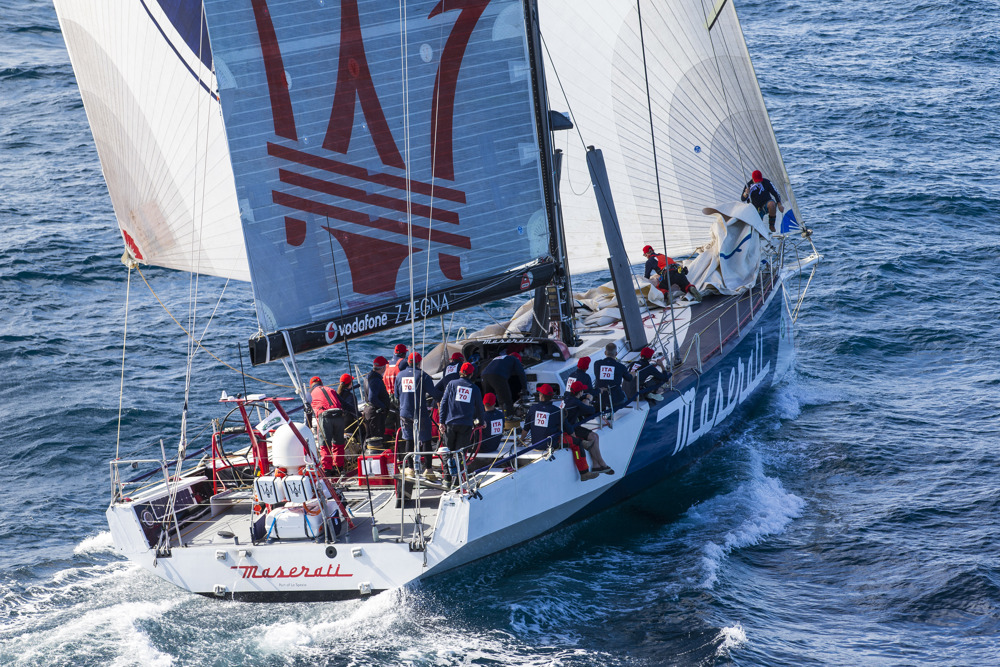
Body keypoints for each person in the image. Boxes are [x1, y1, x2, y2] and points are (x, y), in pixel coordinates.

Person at [522, 384, 598, 481]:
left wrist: (521, 439)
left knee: (562, 435)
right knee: (577, 444)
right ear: (551, 397)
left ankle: (584, 444)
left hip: (535, 444)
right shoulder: (557, 411)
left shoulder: (533, 408)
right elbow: (569, 429)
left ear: (541, 396)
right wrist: (575, 439)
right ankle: (584, 472)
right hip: (551, 443)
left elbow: (526, 428)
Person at [395, 351, 442, 479]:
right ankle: (428, 470)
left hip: (404, 412)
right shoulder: (423, 376)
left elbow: (396, 395)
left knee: (409, 439)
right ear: (419, 362)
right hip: (419, 413)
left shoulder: (399, 376)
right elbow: (434, 393)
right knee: (426, 439)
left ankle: (410, 469)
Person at [438, 362, 485, 488]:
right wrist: (482, 421)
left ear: (460, 372)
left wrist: (441, 422)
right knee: (460, 453)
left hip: (450, 424)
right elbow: (480, 408)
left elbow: (443, 404)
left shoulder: (451, 384)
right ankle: (458, 481)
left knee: (447, 452)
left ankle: (447, 479)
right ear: (471, 374)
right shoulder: (474, 388)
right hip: (465, 425)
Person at [563, 381, 613, 475]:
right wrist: (588, 399)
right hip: (571, 429)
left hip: (570, 426)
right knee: (593, 437)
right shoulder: (576, 402)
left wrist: (585, 398)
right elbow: (591, 410)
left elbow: (580, 399)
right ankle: (601, 463)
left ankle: (596, 465)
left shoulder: (568, 397)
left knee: (595, 436)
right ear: (580, 392)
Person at [309, 376, 345, 477]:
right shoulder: (331, 389)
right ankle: (339, 468)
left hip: (325, 417)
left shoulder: (310, 394)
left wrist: (308, 427)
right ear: (321, 383)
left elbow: (307, 411)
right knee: (338, 443)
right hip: (338, 414)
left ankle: (327, 470)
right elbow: (344, 403)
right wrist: (359, 414)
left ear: (311, 386)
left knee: (325, 445)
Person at [481, 351, 528, 415]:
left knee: (488, 400)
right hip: (497, 376)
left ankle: (486, 419)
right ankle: (508, 419)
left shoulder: (497, 358)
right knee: (506, 401)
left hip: (484, 375)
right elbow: (521, 374)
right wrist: (524, 389)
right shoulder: (515, 359)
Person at [592, 343, 634, 413]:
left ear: (605, 352)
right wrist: (633, 374)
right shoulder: (620, 367)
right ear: (616, 353)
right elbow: (629, 378)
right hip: (616, 400)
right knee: (625, 395)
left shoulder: (597, 364)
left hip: (600, 399)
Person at [363, 356, 391, 452]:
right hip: (375, 413)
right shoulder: (375, 380)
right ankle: (375, 459)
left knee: (369, 437)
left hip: (369, 411)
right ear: (383, 368)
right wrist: (383, 407)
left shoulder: (368, 376)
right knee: (376, 439)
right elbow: (372, 397)